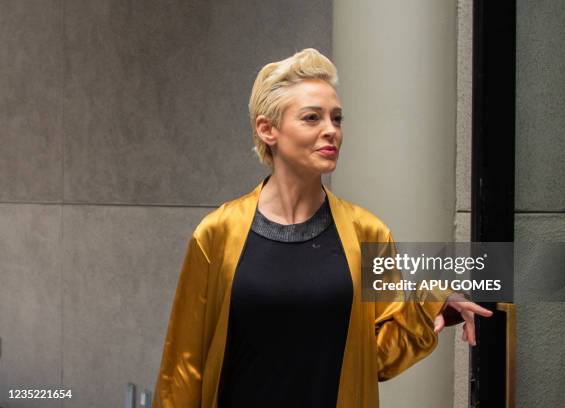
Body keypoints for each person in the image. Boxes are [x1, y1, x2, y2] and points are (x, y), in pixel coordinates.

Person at [153, 48, 492, 408]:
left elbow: (376, 357)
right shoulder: (216, 234)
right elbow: (182, 370)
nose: (331, 131)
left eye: (337, 119)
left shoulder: (367, 233)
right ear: (268, 129)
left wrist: (431, 302)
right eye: (312, 118)